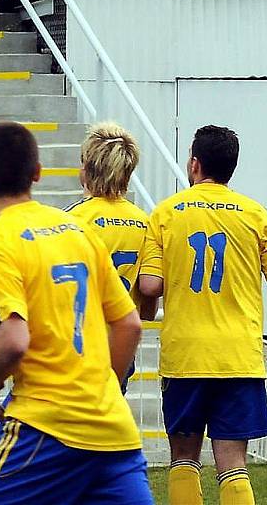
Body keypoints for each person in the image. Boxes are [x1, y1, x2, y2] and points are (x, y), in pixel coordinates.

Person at [0, 121, 153, 505]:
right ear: (37, 173)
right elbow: (130, 324)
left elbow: (14, 340)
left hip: (46, 423)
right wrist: (104, 388)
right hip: (111, 426)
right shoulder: (76, 231)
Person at [138, 125, 267, 505]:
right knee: (233, 465)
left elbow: (148, 286)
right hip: (238, 357)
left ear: (194, 164)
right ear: (232, 168)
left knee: (183, 461)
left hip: (185, 355)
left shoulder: (166, 213)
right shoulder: (256, 214)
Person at [65, 121, 151, 392]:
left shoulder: (71, 220)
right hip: (119, 349)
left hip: (76, 347)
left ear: (86, 168)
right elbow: (148, 305)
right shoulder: (145, 223)